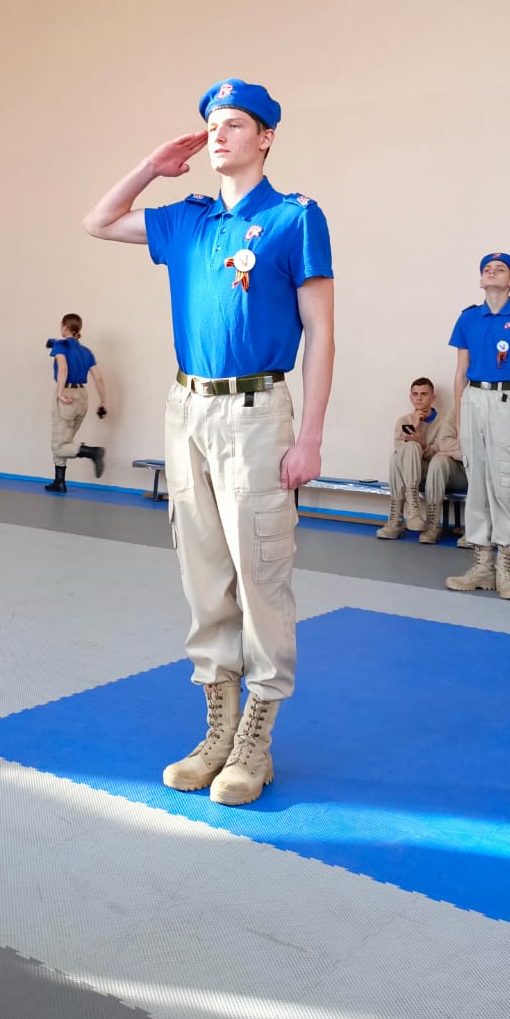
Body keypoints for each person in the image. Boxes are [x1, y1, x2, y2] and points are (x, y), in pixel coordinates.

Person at [85, 77, 334, 807]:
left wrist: (310, 435)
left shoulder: (295, 217)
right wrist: (150, 165)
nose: (218, 134)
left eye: (233, 124)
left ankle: (256, 736)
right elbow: (99, 221)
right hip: (187, 407)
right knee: (203, 577)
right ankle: (216, 728)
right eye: (210, 124)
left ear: (266, 137)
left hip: (257, 410)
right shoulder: (187, 219)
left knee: (261, 575)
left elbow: (320, 330)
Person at [445, 252, 510, 601]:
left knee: (505, 484)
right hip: (475, 400)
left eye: (500, 269)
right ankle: (482, 563)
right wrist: (459, 420)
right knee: (478, 486)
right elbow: (459, 373)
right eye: (486, 268)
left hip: (508, 402)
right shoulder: (469, 318)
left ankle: (506, 565)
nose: (491, 272)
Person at [377, 376, 464, 543]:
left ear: (433, 397)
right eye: (415, 394)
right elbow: (402, 452)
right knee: (397, 456)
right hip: (412, 476)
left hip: (435, 474)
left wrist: (422, 444)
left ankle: (430, 523)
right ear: (410, 397)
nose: (419, 398)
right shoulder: (404, 421)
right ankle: (398, 519)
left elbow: (441, 452)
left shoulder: (443, 421)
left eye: (424, 394)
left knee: (418, 450)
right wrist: (416, 426)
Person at [44, 314, 107, 492]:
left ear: (65, 327)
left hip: (68, 395)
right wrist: (103, 402)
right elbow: (99, 378)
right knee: (65, 440)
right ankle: (59, 482)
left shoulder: (60, 346)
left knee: (58, 446)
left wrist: (60, 391)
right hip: (83, 397)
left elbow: (63, 367)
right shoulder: (86, 352)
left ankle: (91, 452)